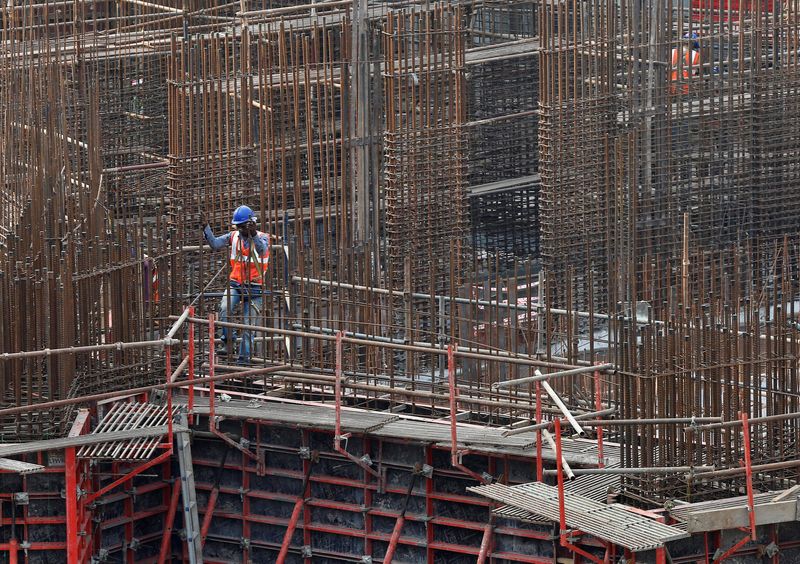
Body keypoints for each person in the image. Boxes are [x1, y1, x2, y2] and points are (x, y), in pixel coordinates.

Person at [202, 205, 271, 364]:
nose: (239, 229)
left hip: (255, 289)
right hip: (236, 284)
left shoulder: (263, 237)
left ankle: (243, 363)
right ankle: (229, 342)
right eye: (238, 226)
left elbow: (262, 251)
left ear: (250, 224)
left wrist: (253, 234)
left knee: (248, 327)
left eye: (242, 226)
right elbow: (215, 244)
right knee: (225, 307)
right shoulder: (233, 236)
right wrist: (206, 227)